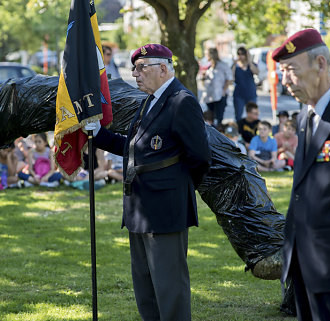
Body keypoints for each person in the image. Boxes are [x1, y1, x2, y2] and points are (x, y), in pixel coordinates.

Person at [87, 44, 211, 320]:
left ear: (163, 69)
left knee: (169, 289)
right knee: (145, 288)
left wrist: (176, 187)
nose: (135, 74)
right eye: (134, 68)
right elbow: (134, 147)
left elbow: (200, 157)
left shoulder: (181, 101)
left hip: (166, 208)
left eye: (141, 67)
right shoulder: (149, 101)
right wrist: (99, 135)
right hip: (139, 208)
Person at [273, 28, 330, 320]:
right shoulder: (306, 116)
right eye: (282, 72)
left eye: (291, 70)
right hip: (303, 263)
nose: (284, 80)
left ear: (321, 64)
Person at [197, 47, 232, 128]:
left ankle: (218, 134)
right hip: (209, 96)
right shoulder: (209, 67)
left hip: (220, 95)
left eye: (206, 54)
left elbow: (229, 79)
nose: (205, 56)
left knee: (218, 117)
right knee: (210, 117)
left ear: (212, 54)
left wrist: (224, 91)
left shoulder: (223, 65)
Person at [232, 46, 259, 122]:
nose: (240, 56)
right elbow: (231, 78)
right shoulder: (235, 66)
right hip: (239, 94)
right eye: (239, 54)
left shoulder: (251, 64)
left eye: (243, 54)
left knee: (252, 114)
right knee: (238, 116)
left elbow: (256, 72)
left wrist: (249, 61)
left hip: (251, 93)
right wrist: (234, 64)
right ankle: (240, 131)